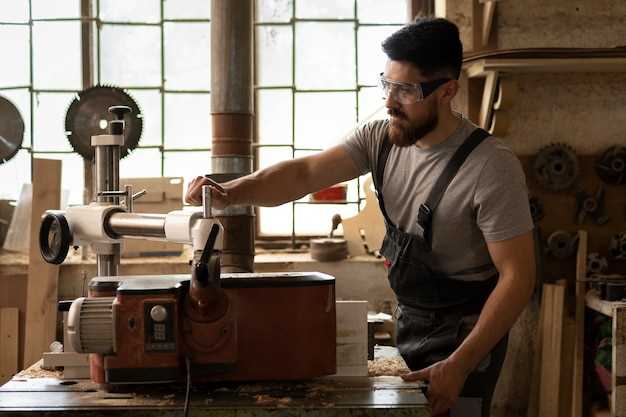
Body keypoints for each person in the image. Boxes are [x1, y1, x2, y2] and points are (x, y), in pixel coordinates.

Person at [186, 17, 535, 417]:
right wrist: (230, 193)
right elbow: (304, 174)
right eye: (387, 84)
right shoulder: (381, 137)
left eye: (405, 90)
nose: (389, 102)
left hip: (468, 338)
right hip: (412, 321)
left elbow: (518, 278)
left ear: (447, 92)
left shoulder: (490, 167)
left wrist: (459, 365)